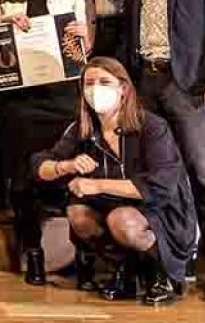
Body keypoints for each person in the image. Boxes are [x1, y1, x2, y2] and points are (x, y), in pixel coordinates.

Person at [34, 57, 196, 305]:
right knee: (78, 213)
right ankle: (125, 270)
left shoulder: (151, 126)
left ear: (123, 89)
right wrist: (64, 166)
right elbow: (39, 166)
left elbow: (160, 185)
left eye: (104, 82)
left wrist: (96, 185)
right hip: (111, 208)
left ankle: (162, 275)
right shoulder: (83, 128)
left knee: (121, 220)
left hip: (161, 212)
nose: (95, 89)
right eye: (89, 83)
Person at [0, 0, 92, 285]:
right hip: (21, 98)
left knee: (70, 170)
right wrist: (2, 26)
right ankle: (32, 252)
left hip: (63, 95)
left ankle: (81, 254)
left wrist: (84, 37)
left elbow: (84, 52)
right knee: (23, 178)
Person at [118, 0, 205, 266]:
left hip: (186, 83)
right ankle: (173, 256)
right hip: (145, 83)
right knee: (156, 173)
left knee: (199, 169)